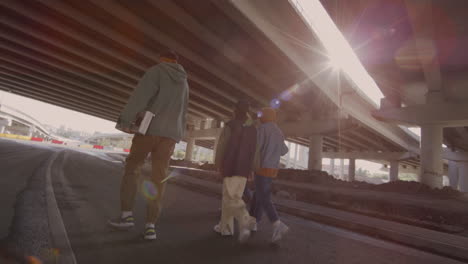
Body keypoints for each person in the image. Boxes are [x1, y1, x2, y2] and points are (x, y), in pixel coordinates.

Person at [108, 50, 189, 240]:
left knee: (132, 168)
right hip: (169, 135)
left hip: (150, 130)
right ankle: (150, 226)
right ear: (176, 62)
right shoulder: (185, 83)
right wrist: (178, 135)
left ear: (162, 58)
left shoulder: (156, 71)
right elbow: (184, 111)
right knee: (159, 177)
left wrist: (125, 121)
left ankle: (126, 216)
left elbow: (139, 97)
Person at [213, 100, 257, 242]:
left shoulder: (230, 125)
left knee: (230, 198)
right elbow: (254, 152)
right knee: (233, 196)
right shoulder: (253, 129)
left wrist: (218, 163)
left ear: (235, 111)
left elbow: (222, 145)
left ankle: (246, 220)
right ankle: (225, 228)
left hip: (230, 166)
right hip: (244, 168)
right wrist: (252, 169)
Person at [250, 107, 289, 243]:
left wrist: (250, 165)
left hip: (262, 167)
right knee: (258, 194)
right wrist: (274, 150)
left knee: (263, 196)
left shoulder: (263, 128)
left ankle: (277, 223)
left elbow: (256, 148)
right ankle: (253, 221)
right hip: (272, 169)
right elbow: (285, 150)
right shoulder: (278, 131)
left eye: (261, 115)